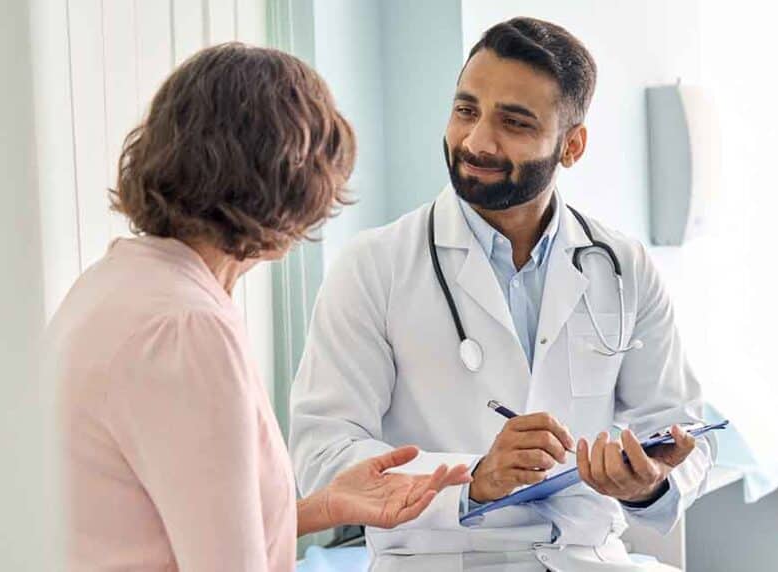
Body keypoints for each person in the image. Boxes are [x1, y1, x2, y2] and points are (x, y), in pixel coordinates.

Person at [288, 17, 714, 571]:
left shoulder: (623, 266)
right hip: (438, 559)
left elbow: (687, 435)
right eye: (466, 110)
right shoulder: (375, 266)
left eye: (514, 123)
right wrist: (475, 477)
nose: (477, 141)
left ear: (572, 145)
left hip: (588, 558)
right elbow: (323, 457)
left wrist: (648, 483)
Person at [45, 43, 470, 571]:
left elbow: (173, 526)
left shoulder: (115, 283)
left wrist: (325, 507)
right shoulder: (188, 328)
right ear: (289, 186)